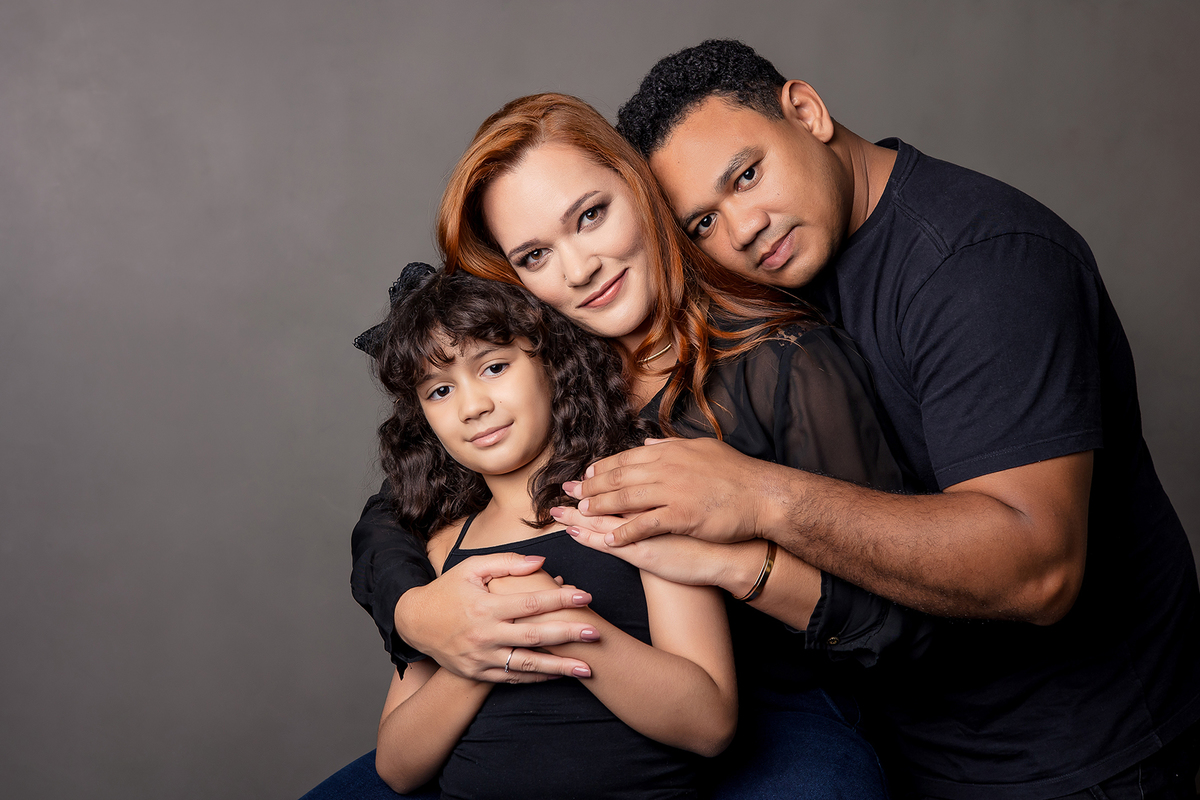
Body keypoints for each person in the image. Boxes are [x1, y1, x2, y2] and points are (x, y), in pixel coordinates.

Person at [545, 39, 1200, 799]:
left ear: (807, 112)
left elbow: (1040, 571)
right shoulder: (770, 275)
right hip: (904, 746)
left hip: (1082, 758)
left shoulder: (981, 263)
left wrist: (757, 497)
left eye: (747, 175)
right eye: (702, 223)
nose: (742, 229)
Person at [319, 93, 926, 799]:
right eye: (536, 255)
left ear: (638, 187)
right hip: (537, 712)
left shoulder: (779, 363)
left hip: (774, 697)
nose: (579, 269)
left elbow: (900, 615)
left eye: (590, 215)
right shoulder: (540, 366)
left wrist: (737, 547)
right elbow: (401, 507)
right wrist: (417, 613)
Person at [355, 262, 737, 799]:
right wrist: (482, 647)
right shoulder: (441, 546)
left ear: (551, 363)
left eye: (494, 367)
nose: (473, 406)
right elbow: (397, 765)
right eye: (439, 391)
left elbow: (709, 723)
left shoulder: (633, 500)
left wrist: (557, 620)